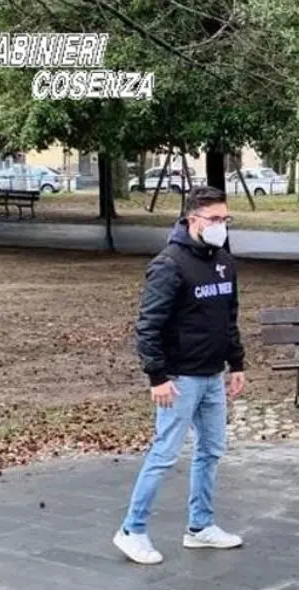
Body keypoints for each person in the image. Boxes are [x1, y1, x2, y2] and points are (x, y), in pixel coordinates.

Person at [113, 186, 247, 565]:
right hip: (179, 379)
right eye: (215, 219)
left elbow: (228, 317)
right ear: (193, 220)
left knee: (211, 451)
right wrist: (157, 377)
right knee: (164, 455)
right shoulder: (168, 265)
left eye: (226, 218)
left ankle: (200, 526)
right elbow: (148, 325)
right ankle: (131, 530)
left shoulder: (223, 261)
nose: (221, 225)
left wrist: (236, 364)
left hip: (212, 376)